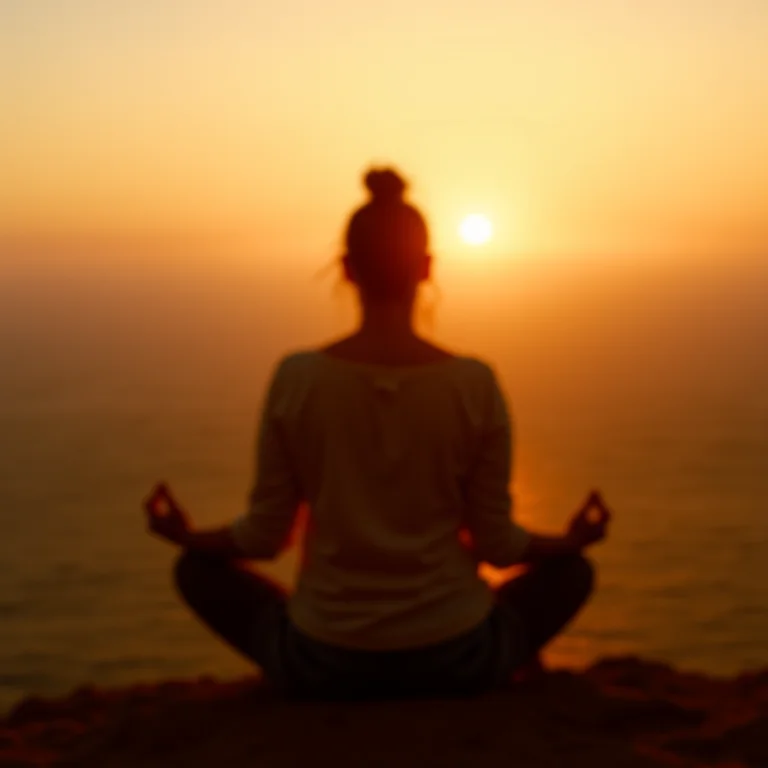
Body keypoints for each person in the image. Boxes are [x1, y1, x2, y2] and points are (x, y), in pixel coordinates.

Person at [142, 167, 611, 699]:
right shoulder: (473, 385)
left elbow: (264, 538)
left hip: (321, 665)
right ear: (428, 268)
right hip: (459, 660)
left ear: (346, 269)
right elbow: (497, 545)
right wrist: (571, 541)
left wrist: (185, 537)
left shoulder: (298, 378)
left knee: (195, 572)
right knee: (573, 573)